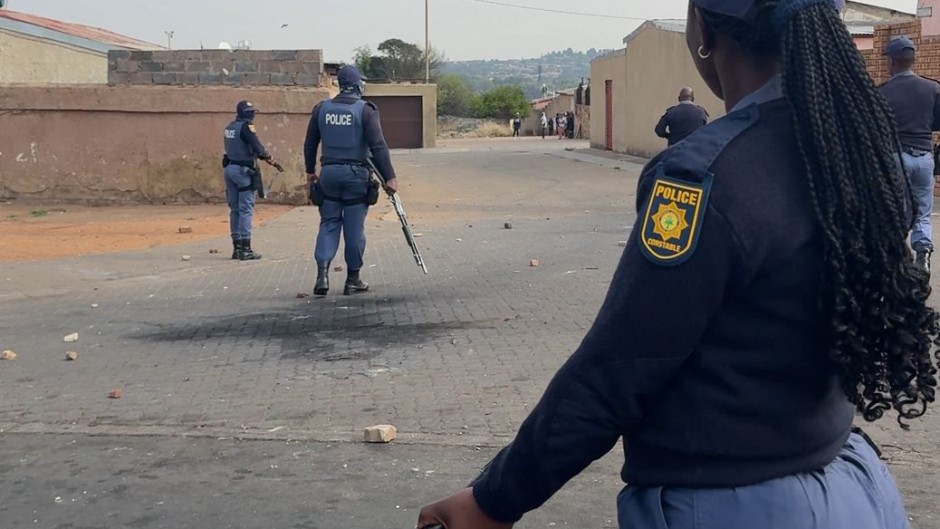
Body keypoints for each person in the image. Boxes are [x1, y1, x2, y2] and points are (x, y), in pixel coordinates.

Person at [417, 1, 939, 528]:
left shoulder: (700, 177)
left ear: (703, 29)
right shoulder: (858, 153)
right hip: (852, 485)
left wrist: (493, 499)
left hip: (735, 505)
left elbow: (619, 367)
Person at [303, 65, 398, 296]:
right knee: (354, 228)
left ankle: (322, 276)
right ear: (357, 84)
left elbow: (310, 142)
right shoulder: (366, 110)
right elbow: (377, 145)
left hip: (329, 174)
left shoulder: (321, 109)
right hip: (356, 176)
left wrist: (309, 171)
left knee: (328, 223)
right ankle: (352, 279)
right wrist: (390, 177)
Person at [879, 36, 940, 273]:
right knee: (923, 208)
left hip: (895, 157)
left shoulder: (883, 91)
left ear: (892, 62)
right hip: (924, 156)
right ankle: (923, 251)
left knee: (897, 207)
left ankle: (897, 256)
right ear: (913, 60)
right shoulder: (933, 88)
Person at [223, 100, 276, 261]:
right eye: (251, 111)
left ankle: (236, 247)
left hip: (229, 169)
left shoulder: (229, 127)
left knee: (235, 209)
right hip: (243, 172)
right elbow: (257, 146)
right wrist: (267, 156)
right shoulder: (246, 127)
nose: (252, 114)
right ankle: (245, 249)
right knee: (246, 209)